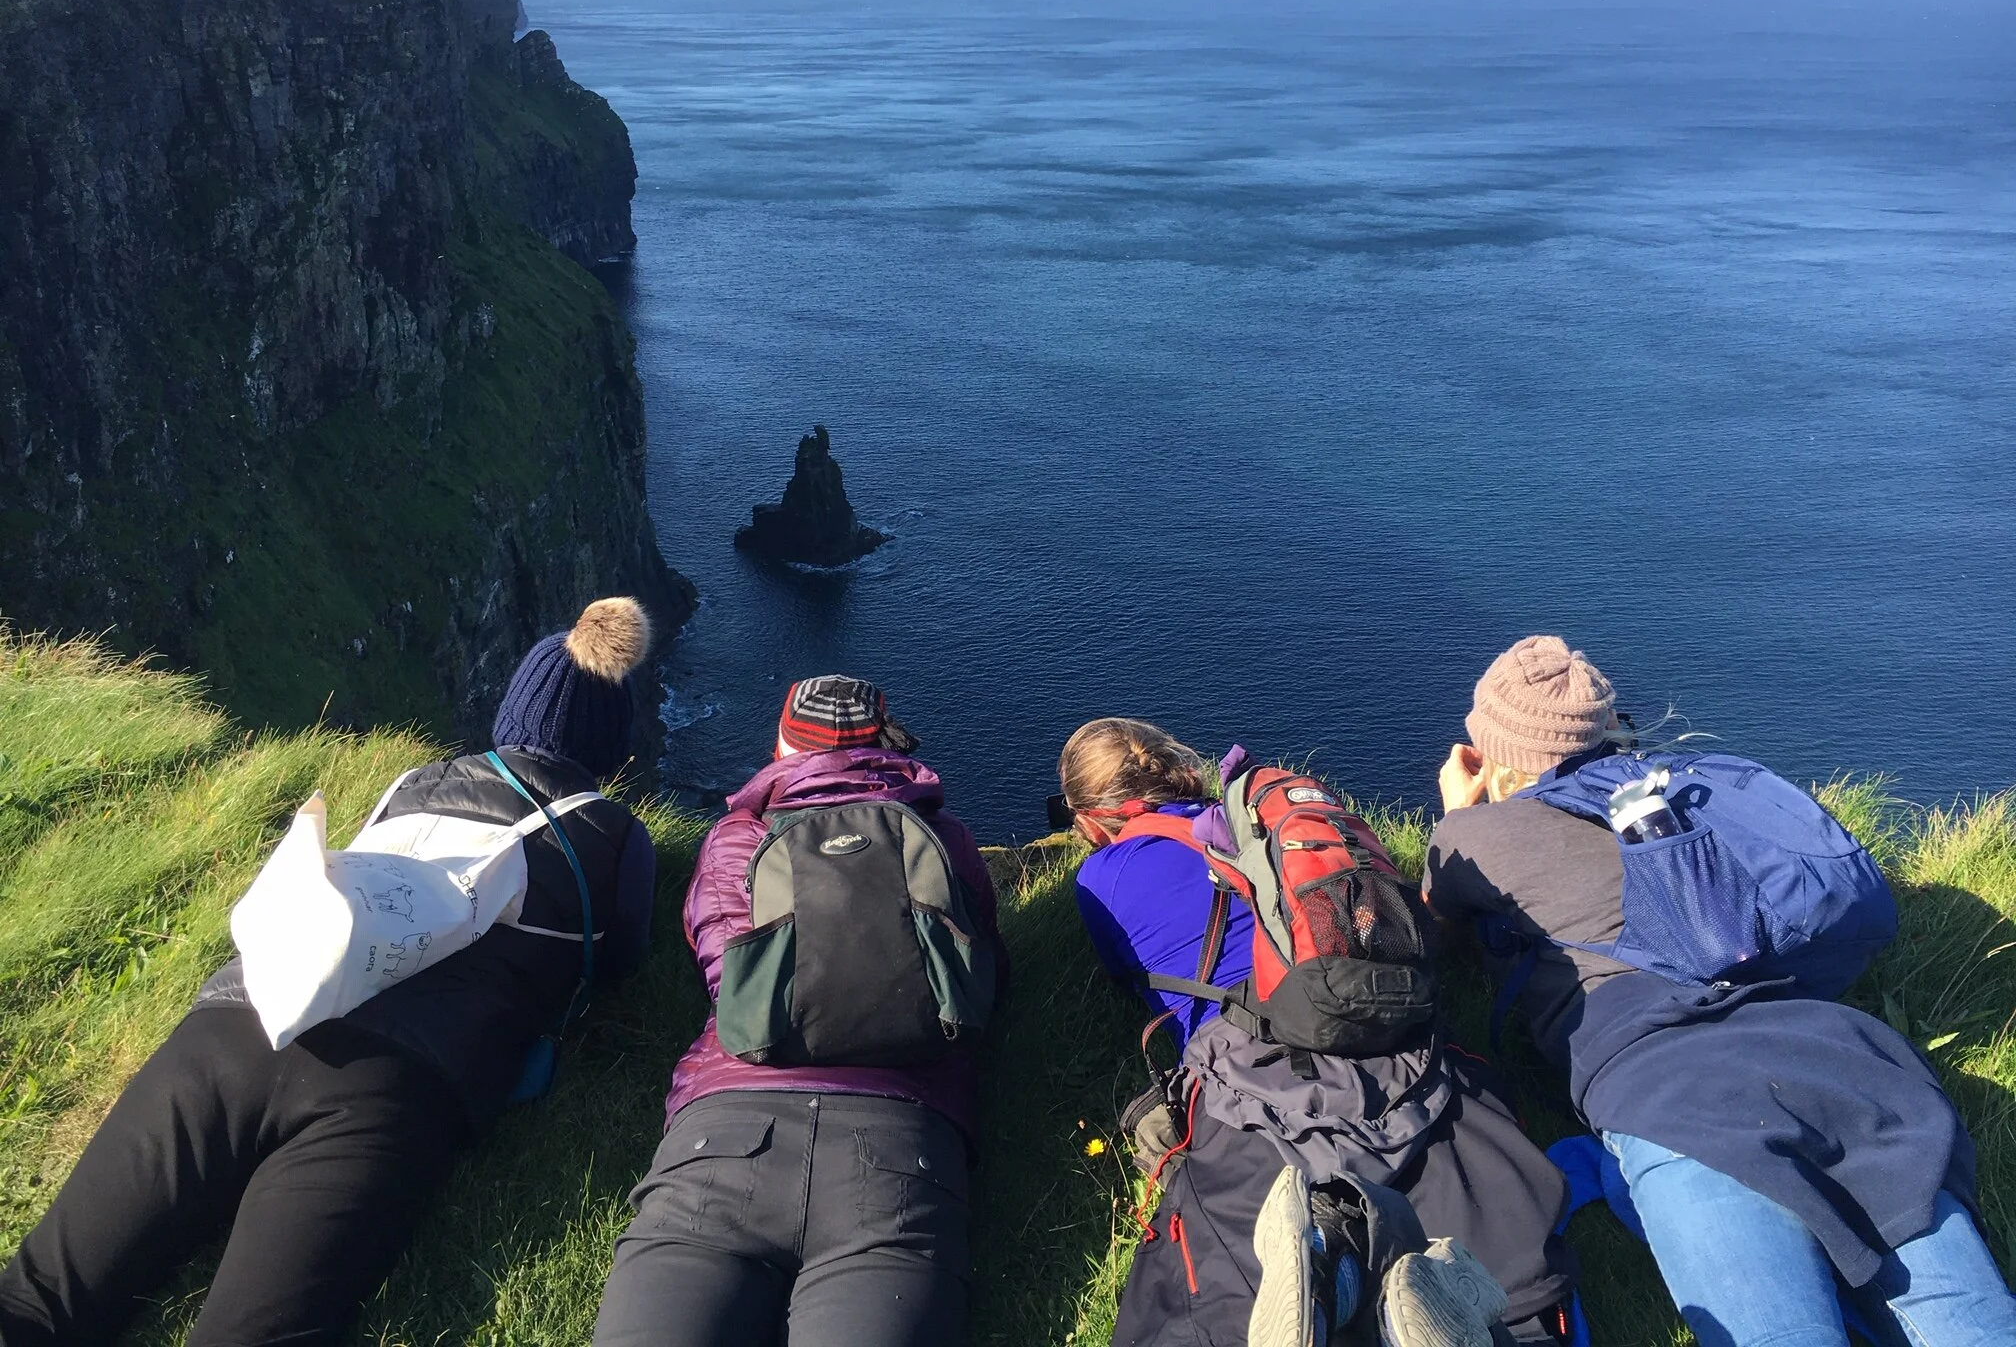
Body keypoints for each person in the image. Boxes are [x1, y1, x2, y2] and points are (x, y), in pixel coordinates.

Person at [0, 597, 661, 1347]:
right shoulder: (613, 838)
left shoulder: (417, 781)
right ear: (610, 742)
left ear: (512, 713)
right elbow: (621, 962)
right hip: (391, 1081)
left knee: (40, 1296)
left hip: (243, 1013)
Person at [1423, 634, 2016, 1347]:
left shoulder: (1483, 833)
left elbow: (1433, 935)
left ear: (1490, 746)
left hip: (1672, 1090)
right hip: (1843, 1058)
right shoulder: (1691, 794)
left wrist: (1458, 813)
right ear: (1607, 724)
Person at [1063, 718, 1578, 1347]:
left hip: (1244, 1059)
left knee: (1224, 1285)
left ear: (1091, 821)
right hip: (1386, 1030)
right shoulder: (1270, 826)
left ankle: (1322, 1286)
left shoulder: (1101, 877)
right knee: (1502, 1267)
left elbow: (1128, 974)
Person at [592, 675, 1007, 1347]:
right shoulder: (943, 837)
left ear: (784, 743)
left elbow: (727, 976)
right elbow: (985, 976)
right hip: (901, 1144)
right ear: (881, 740)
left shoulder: (735, 838)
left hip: (724, 1132)